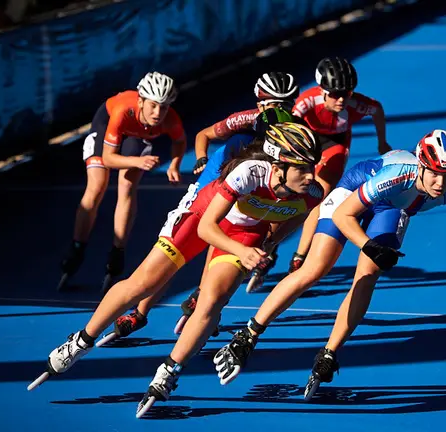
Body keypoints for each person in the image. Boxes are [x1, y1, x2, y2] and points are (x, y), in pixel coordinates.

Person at [28, 123, 324, 407]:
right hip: (202, 215)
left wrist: (269, 242)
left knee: (212, 302)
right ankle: (81, 340)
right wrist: (241, 252)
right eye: (302, 168)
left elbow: (296, 216)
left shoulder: (311, 194)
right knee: (145, 283)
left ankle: (169, 370)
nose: (310, 176)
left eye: (312, 166)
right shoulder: (249, 173)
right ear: (277, 166)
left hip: (245, 232)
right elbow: (206, 229)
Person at [211, 129, 446, 400]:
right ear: (421, 165)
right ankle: (248, 334)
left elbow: (407, 206)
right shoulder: (399, 175)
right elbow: (346, 215)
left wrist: (376, 251)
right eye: (434, 173)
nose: (440, 183)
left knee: (367, 276)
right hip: (355, 192)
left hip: (391, 209)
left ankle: (329, 353)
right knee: (315, 269)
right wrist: (369, 246)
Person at [97, 106, 299, 345]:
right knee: (174, 260)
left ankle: (204, 304)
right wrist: (201, 159)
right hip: (210, 192)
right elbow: (203, 136)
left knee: (221, 258)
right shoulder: (242, 137)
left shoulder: (286, 146)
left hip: (239, 196)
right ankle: (140, 313)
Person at [58, 71, 186, 292]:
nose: (158, 113)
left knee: (127, 187)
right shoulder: (122, 112)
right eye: (153, 106)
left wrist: (174, 164)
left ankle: (117, 252)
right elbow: (108, 158)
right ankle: (77, 246)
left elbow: (180, 141)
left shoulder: (170, 119)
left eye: (163, 107)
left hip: (136, 136)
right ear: (141, 101)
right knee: (97, 186)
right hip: (108, 124)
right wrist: (137, 161)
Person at [286, 56, 391, 275]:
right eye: (335, 94)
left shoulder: (356, 103)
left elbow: (377, 110)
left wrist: (382, 142)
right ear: (322, 90)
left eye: (347, 93)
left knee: (319, 196)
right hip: (307, 139)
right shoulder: (306, 102)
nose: (342, 100)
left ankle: (300, 256)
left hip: (336, 143)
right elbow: (287, 129)